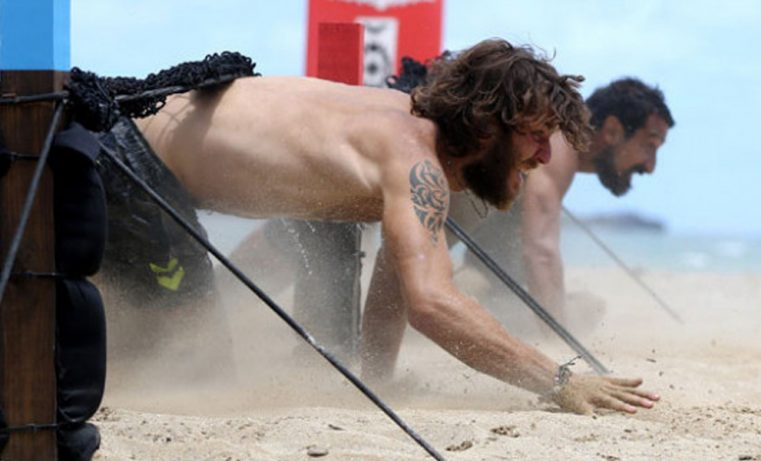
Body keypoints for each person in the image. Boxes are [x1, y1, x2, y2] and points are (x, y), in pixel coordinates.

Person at [105, 38, 659, 414]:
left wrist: (378, 380)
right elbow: (433, 304)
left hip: (138, 158)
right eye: (536, 136)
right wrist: (558, 381)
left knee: (179, 358)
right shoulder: (412, 157)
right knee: (193, 375)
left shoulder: (420, 143)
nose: (545, 155)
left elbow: (397, 285)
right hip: (129, 161)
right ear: (490, 127)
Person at [449, 78, 674, 331]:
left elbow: (495, 264)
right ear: (612, 130)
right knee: (577, 312)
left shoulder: (542, 159)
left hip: (469, 270)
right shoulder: (559, 143)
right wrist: (558, 339)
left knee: (588, 307)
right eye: (649, 145)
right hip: (425, 240)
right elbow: (541, 253)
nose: (650, 166)